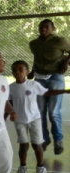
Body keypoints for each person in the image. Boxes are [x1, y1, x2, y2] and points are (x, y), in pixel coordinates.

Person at [9, 60, 70, 173]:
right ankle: (23, 167)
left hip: (34, 119)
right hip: (20, 121)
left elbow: (47, 92)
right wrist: (8, 114)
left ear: (27, 72)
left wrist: (64, 91)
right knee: (23, 145)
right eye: (15, 70)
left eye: (21, 69)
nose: (18, 72)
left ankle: (40, 167)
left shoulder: (33, 85)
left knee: (37, 145)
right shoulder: (11, 87)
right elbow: (8, 102)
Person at [28, 18, 70, 154]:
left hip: (55, 77)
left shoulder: (60, 41)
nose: (43, 29)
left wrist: (66, 62)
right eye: (41, 27)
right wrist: (32, 72)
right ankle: (44, 139)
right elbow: (37, 59)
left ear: (53, 28)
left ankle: (58, 140)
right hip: (39, 78)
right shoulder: (34, 43)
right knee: (40, 111)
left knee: (53, 112)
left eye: (47, 27)